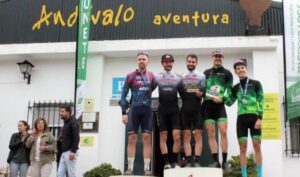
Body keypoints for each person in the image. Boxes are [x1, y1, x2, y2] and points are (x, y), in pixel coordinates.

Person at [225, 59, 264, 177]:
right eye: (238, 68)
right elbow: (229, 102)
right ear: (236, 72)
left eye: (242, 67)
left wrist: (260, 118)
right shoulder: (235, 87)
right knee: (243, 148)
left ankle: (260, 175)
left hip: (254, 118)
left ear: (246, 69)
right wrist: (223, 95)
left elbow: (261, 100)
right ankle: (244, 175)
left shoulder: (256, 83)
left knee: (257, 146)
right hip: (241, 119)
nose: (241, 70)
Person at [120, 52, 156, 175]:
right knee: (132, 139)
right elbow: (123, 95)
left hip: (147, 111)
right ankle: (129, 168)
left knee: (147, 138)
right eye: (139, 59)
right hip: (134, 110)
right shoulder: (130, 76)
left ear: (148, 61)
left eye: (144, 59)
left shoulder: (152, 76)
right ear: (137, 61)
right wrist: (123, 113)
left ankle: (147, 169)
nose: (141, 61)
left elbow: (160, 85)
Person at [203, 49, 233, 169]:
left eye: (220, 56)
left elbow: (230, 90)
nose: (218, 58)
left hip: (219, 105)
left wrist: (223, 98)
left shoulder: (227, 73)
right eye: (216, 56)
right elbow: (201, 88)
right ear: (212, 57)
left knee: (223, 132)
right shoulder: (206, 72)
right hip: (207, 106)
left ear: (222, 58)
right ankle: (216, 161)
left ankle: (225, 161)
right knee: (211, 134)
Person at [154, 54, 181, 169]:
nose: (168, 64)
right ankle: (166, 163)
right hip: (162, 110)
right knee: (163, 136)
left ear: (172, 63)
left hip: (174, 109)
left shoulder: (178, 77)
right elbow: (147, 89)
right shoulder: (157, 77)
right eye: (166, 62)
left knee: (177, 136)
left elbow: (185, 92)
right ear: (162, 63)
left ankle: (174, 161)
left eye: (170, 62)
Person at [179, 54, 206, 167]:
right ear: (186, 62)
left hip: (197, 107)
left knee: (198, 135)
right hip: (185, 107)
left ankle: (197, 161)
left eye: (193, 62)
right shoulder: (181, 76)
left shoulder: (202, 76)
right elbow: (180, 91)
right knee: (186, 135)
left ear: (196, 63)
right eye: (189, 61)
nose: (191, 63)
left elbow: (204, 91)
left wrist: (202, 94)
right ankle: (189, 160)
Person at [57, 106, 80, 177]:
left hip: (70, 152)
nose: (60, 113)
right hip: (64, 153)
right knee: (60, 174)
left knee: (72, 174)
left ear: (68, 112)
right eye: (60, 111)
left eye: (62, 111)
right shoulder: (66, 122)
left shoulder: (73, 122)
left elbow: (76, 137)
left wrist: (73, 151)